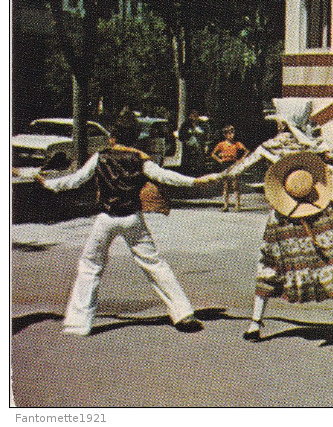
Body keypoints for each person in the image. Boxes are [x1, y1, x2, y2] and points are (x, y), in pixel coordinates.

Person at [37, 108, 217, 336]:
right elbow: (164, 176)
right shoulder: (140, 159)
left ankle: (78, 323)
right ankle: (183, 314)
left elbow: (76, 180)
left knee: (90, 266)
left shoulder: (100, 157)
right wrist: (195, 181)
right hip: (132, 218)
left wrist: (49, 184)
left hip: (106, 218)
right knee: (155, 264)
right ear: (134, 137)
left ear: (112, 137)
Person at [224, 99, 333, 344]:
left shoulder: (272, 145)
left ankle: (255, 323)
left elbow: (237, 169)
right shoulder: (313, 143)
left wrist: (206, 179)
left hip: (284, 212)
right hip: (317, 208)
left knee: (269, 265)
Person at [211, 124, 249, 212]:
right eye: (229, 133)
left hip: (234, 163)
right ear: (225, 135)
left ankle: (237, 205)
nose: (231, 135)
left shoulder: (237, 144)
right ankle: (226, 205)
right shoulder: (221, 144)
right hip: (225, 163)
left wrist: (241, 160)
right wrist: (220, 160)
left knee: (235, 184)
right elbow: (213, 154)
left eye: (232, 133)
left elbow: (246, 151)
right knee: (226, 185)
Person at [178, 109, 209, 175]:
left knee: (199, 170)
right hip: (188, 153)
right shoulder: (185, 125)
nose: (193, 118)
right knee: (188, 171)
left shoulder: (203, 125)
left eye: (195, 116)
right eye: (192, 116)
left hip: (199, 153)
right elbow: (180, 137)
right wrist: (187, 140)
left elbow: (207, 136)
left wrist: (205, 145)